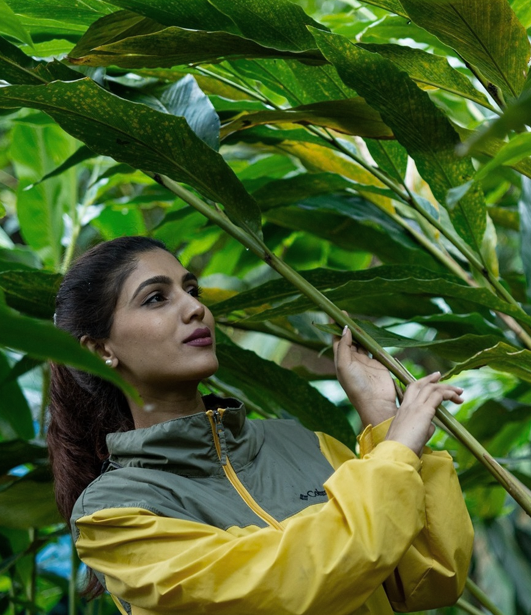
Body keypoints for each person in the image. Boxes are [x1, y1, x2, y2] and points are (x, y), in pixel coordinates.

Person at [48, 235, 474, 615]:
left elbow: (429, 579)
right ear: (101, 348)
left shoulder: (305, 443)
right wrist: (396, 451)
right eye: (156, 298)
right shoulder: (112, 514)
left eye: (191, 289)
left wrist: (383, 420)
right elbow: (280, 589)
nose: (196, 308)